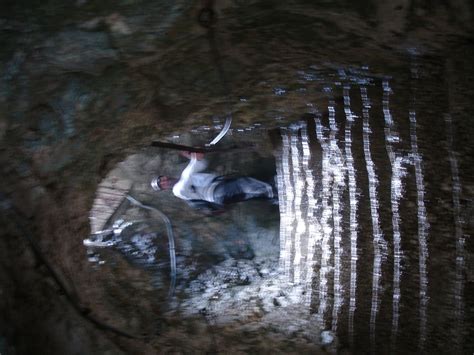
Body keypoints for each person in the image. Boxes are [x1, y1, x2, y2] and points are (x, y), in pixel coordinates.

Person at [151, 152, 276, 213]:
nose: (165, 181)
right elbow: (187, 178)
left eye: (162, 179)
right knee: (245, 183)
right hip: (217, 193)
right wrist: (193, 158)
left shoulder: (184, 176)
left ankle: (274, 197)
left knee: (250, 193)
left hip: (220, 189)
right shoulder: (177, 191)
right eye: (162, 184)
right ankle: (275, 190)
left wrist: (194, 156)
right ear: (164, 189)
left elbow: (202, 163)